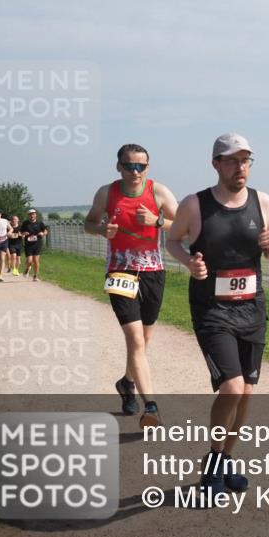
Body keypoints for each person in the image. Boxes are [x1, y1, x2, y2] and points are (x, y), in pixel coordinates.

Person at [166, 133, 269, 497]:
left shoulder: (263, 202)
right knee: (230, 388)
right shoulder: (194, 205)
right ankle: (213, 462)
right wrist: (190, 263)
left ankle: (226, 460)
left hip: (252, 308)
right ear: (216, 164)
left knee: (247, 392)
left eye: (245, 160)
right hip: (211, 310)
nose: (240, 167)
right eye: (232, 160)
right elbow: (172, 240)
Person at [84, 143, 178, 428]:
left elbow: (183, 224)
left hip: (153, 272)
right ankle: (151, 406)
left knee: (143, 341)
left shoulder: (158, 192)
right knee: (136, 340)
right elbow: (89, 222)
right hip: (120, 271)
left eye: (141, 166)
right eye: (129, 166)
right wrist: (101, 229)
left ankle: (126, 382)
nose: (135, 171)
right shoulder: (106, 193)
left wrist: (157, 220)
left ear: (147, 168)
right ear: (119, 167)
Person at [20, 209, 49, 281]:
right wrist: (24, 233)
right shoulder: (25, 223)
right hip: (28, 244)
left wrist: (43, 233)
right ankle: (27, 268)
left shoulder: (40, 223)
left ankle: (35, 276)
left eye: (33, 214)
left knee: (36, 261)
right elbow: (21, 232)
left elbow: (45, 231)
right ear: (28, 215)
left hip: (37, 243)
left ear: (35, 215)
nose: (32, 215)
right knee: (29, 261)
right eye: (30, 214)